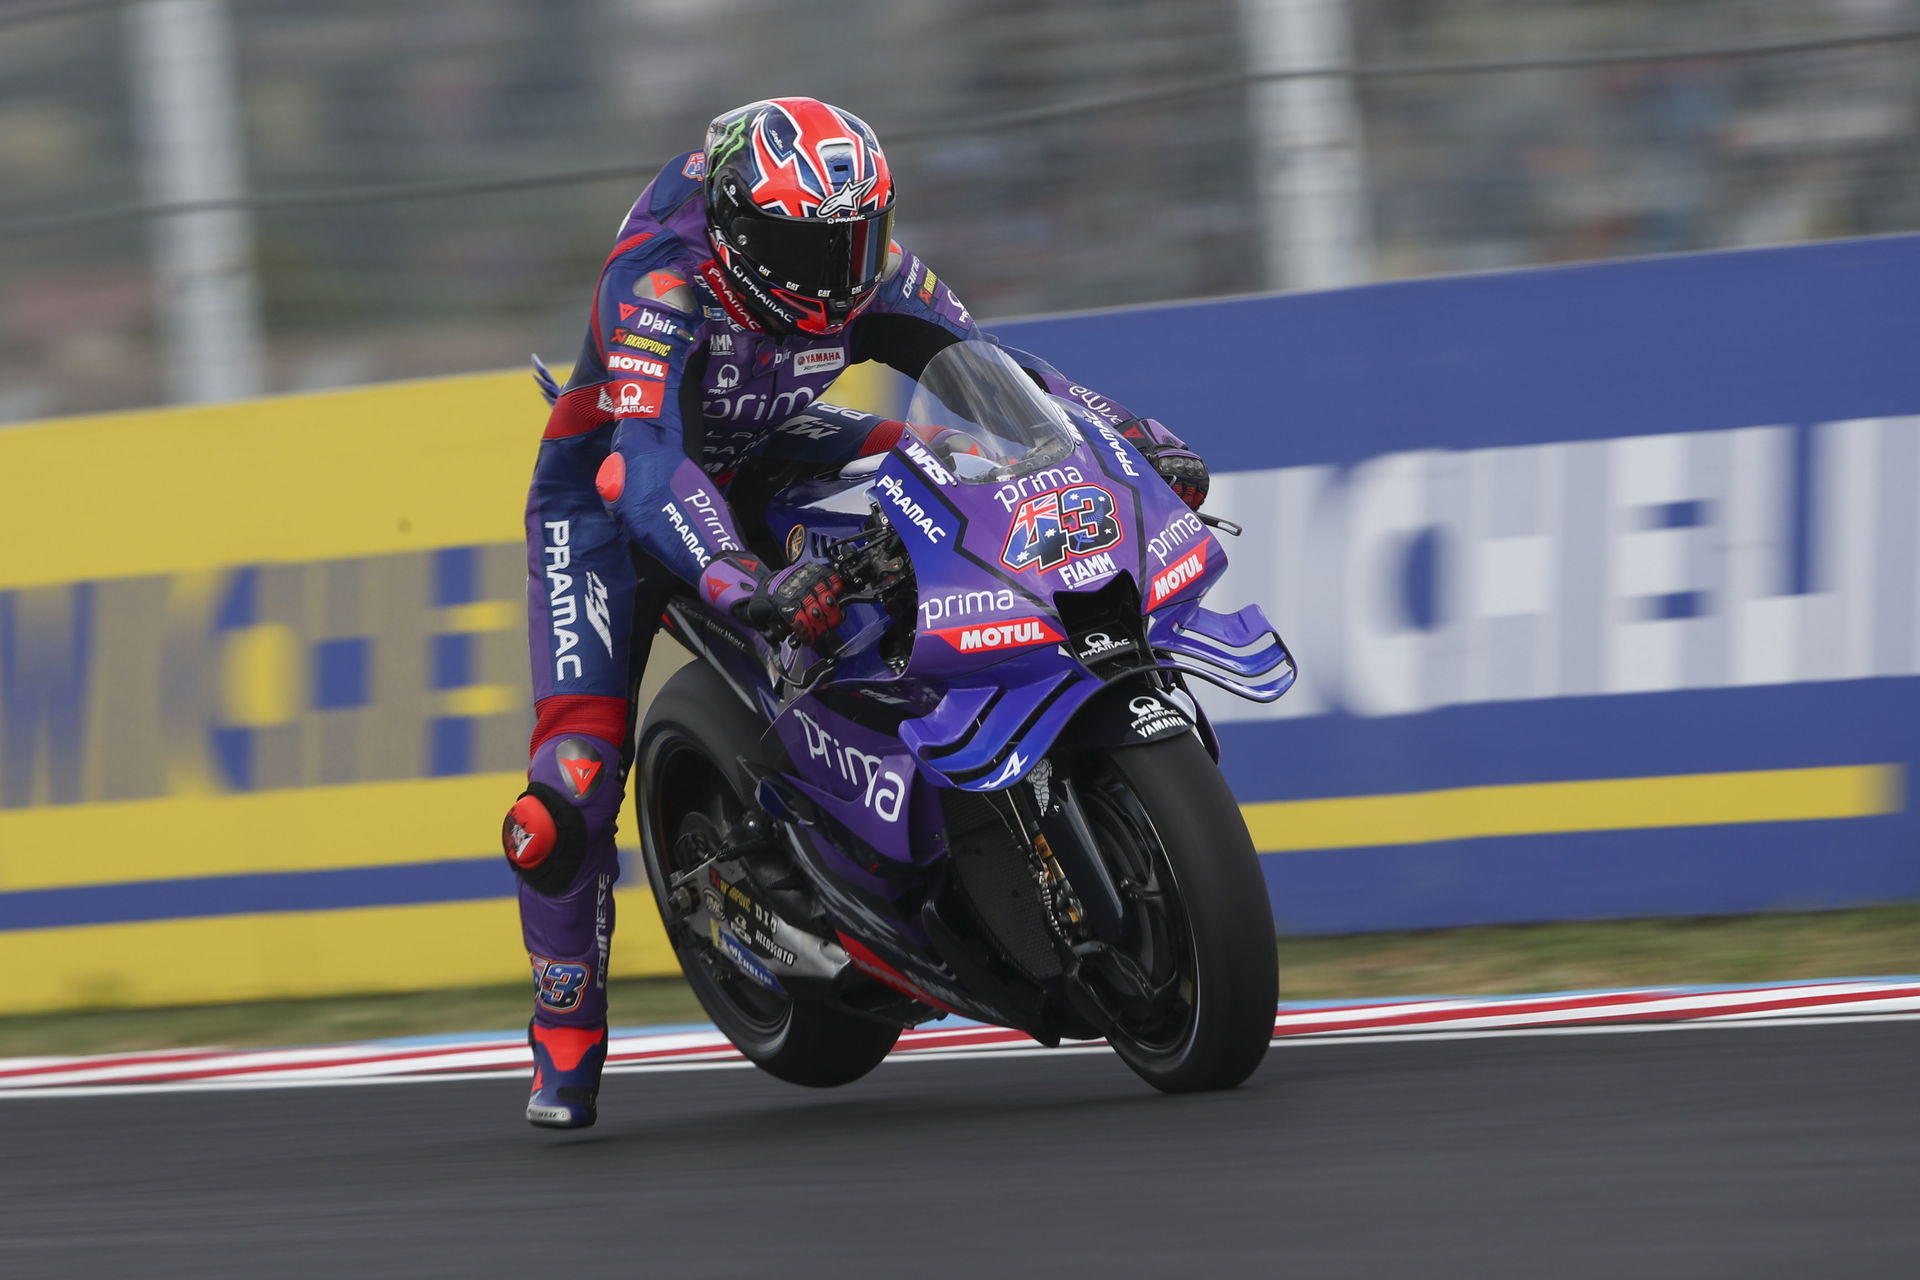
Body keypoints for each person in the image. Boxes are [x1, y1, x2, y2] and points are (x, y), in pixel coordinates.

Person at [500, 97, 1211, 1129]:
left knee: (943, 485)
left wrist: (1134, 438)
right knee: (562, 796)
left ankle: (913, 830)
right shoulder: (657, 282)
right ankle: (564, 1035)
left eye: (857, 236)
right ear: (740, 233)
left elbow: (995, 375)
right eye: (808, 245)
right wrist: (741, 581)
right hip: (615, 500)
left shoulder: (868, 266)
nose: (841, 271)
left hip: (777, 446)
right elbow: (648, 466)